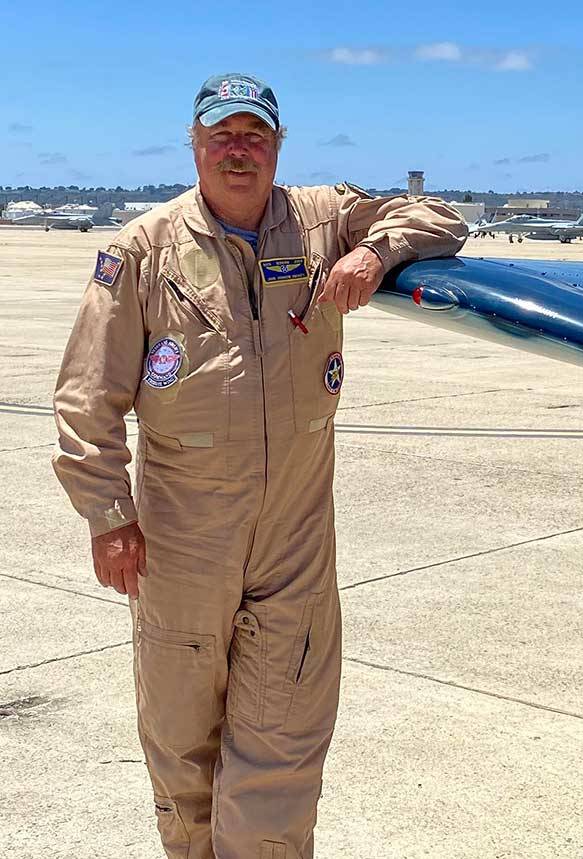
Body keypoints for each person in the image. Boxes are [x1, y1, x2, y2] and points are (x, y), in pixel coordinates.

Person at [52, 73, 467, 859]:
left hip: (292, 547)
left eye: (255, 135)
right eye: (223, 134)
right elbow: (86, 399)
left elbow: (439, 216)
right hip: (182, 545)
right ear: (195, 143)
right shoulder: (141, 250)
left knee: (274, 772)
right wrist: (109, 516)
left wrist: (375, 252)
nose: (238, 150)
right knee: (183, 760)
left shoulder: (321, 219)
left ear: (278, 145)